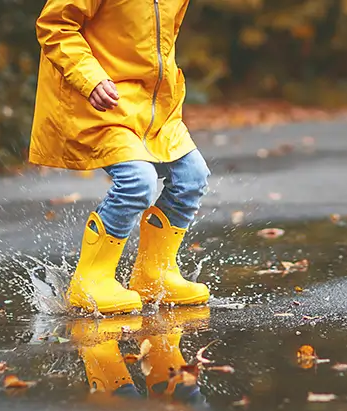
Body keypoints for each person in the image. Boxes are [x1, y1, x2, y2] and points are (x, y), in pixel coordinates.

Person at [28, 0, 210, 314]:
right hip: (100, 100)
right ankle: (90, 282)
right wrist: (91, 79)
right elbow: (55, 26)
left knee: (192, 176)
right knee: (137, 181)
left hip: (153, 106)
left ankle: (155, 275)